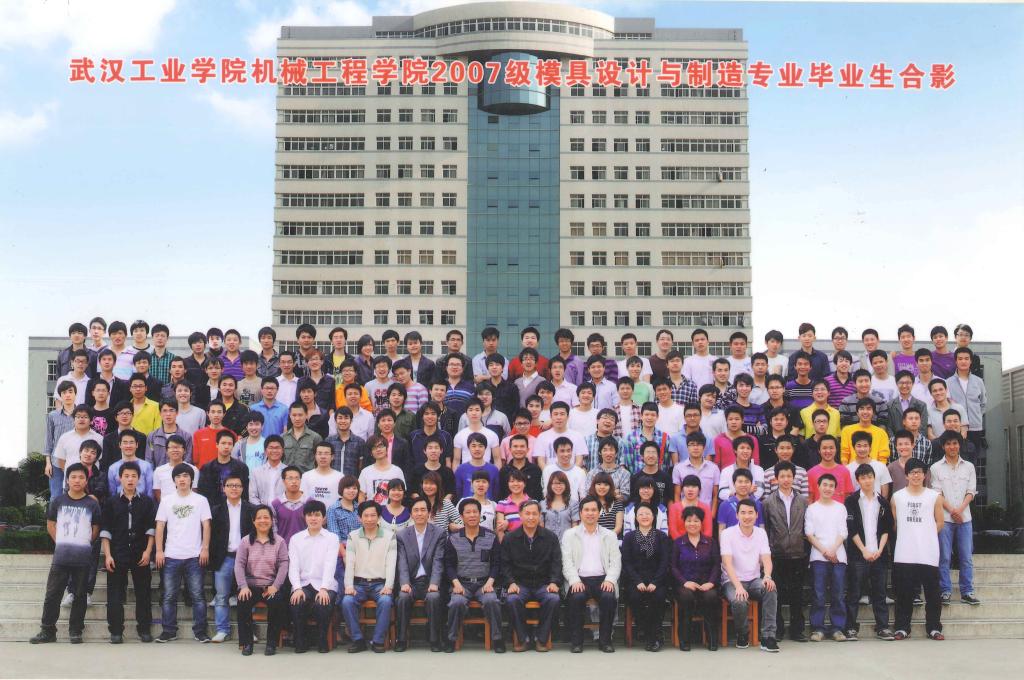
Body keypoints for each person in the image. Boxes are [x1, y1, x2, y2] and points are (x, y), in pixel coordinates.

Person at [29, 463, 101, 645]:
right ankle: (47, 631)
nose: (77, 480)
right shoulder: (58, 501)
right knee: (53, 594)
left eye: (81, 477)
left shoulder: (92, 504)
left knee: (80, 595)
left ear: (86, 480)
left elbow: (95, 529)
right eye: (73, 477)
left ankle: (75, 631)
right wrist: (61, 542)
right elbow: (50, 525)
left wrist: (83, 543)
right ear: (67, 480)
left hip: (83, 558)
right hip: (61, 557)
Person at [154, 463, 212, 643]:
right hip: (171, 555)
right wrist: (159, 550)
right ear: (174, 480)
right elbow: (160, 526)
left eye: (186, 476)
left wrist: (205, 548)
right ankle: (169, 631)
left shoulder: (200, 500)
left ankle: (200, 631)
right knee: (169, 596)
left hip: (194, 556)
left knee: (198, 595)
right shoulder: (167, 500)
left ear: (191, 479)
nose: (182, 479)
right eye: (178, 476)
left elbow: (206, 525)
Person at [100, 461, 156, 644]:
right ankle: (116, 631)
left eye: (133, 476)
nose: (130, 479)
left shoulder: (147, 502)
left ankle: (144, 629)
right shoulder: (111, 502)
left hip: (141, 553)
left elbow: (151, 529)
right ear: (120, 478)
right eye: (126, 476)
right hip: (118, 552)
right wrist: (108, 555)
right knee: (115, 594)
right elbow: (106, 530)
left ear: (139, 478)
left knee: (143, 593)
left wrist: (148, 552)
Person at [891, 458, 945, 640]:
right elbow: (895, 524)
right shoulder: (897, 497)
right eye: (912, 472)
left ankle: (934, 628)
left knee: (932, 593)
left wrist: (926, 535)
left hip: (928, 551)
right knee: (904, 593)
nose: (916, 475)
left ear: (925, 475)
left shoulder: (934, 496)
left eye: (919, 472)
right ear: (906, 475)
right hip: (904, 552)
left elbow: (940, 522)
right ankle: (902, 627)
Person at [442, 498, 505, 653]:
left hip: (484, 583)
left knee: (492, 601)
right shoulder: (453, 538)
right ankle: (451, 639)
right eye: (468, 512)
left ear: (480, 514)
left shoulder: (491, 536)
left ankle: (497, 639)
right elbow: (448, 564)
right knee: (456, 603)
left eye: (475, 512)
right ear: (461, 516)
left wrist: (490, 582)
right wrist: (456, 584)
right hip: (462, 584)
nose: (472, 515)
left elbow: (496, 563)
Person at [562, 496, 621, 653]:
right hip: (579, 580)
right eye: (586, 510)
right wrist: (574, 580)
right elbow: (566, 561)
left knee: (608, 597)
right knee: (576, 597)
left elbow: (616, 562)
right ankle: (577, 642)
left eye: (594, 510)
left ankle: (605, 641)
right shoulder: (570, 534)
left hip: (603, 579)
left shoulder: (609, 535)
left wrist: (610, 580)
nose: (590, 513)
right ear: (580, 513)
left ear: (599, 512)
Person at [720, 498, 780, 652]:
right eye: (743, 513)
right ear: (737, 515)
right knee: (739, 599)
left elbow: (766, 558)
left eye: (750, 513)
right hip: (731, 581)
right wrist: (738, 587)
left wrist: (767, 576)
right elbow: (727, 563)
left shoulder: (761, 533)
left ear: (756, 515)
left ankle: (768, 637)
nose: (747, 516)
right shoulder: (727, 534)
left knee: (770, 588)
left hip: (754, 580)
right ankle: (743, 634)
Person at [844, 463, 895, 641]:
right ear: (858, 480)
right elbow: (851, 529)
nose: (867, 481)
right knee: (854, 593)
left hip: (879, 555)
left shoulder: (882, 502)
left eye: (870, 477)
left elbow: (887, 529)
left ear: (875, 478)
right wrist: (864, 550)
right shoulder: (851, 501)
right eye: (863, 478)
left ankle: (883, 627)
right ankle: (850, 628)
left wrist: (880, 550)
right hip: (858, 555)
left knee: (880, 593)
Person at [930, 431, 980, 605]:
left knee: (966, 556)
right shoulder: (935, 468)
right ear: (943, 446)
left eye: (955, 443)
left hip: (965, 519)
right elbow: (937, 493)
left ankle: (967, 591)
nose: (952, 447)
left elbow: (971, 491)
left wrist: (960, 510)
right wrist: (953, 511)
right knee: (944, 556)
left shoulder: (969, 467)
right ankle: (945, 590)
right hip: (945, 519)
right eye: (948, 444)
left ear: (960, 445)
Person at [341, 501, 397, 653]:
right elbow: (350, 563)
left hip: (380, 584)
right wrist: (349, 586)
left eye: (373, 515)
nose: (370, 519)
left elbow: (391, 563)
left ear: (379, 517)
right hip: (359, 584)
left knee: (386, 601)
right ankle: (358, 640)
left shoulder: (390, 536)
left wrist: (389, 586)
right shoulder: (353, 536)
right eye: (366, 516)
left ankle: (378, 641)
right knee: (347, 601)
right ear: (359, 518)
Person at [762, 461, 809, 642]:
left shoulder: (803, 501)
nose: (786, 479)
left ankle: (797, 630)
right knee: (778, 594)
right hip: (777, 554)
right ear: (776, 479)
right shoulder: (768, 502)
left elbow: (806, 527)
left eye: (789, 476)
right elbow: (766, 529)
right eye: (782, 476)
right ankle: (778, 629)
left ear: (794, 478)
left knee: (797, 594)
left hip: (798, 553)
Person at [235, 505, 289, 656]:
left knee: (277, 602)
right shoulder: (246, 541)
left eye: (266, 517)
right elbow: (239, 565)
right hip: (250, 586)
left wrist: (276, 586)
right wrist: (243, 586)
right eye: (259, 518)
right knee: (243, 600)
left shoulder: (279, 541)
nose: (263, 521)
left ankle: (271, 643)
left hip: (270, 586)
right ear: (253, 521)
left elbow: (284, 564)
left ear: (272, 521)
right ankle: (247, 643)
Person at [394, 497, 446, 651]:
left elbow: (438, 561)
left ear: (429, 513)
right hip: (411, 581)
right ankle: (401, 639)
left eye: (423, 510)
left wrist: (434, 583)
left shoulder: (439, 533)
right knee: (403, 597)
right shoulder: (402, 535)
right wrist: (404, 582)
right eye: (416, 510)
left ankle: (434, 639)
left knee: (434, 597)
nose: (419, 513)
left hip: (430, 581)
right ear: (411, 514)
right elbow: (402, 562)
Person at [288, 499, 340, 653]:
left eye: (317, 515)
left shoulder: (332, 538)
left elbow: (330, 565)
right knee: (297, 601)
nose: (313, 518)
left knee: (323, 602)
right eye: (310, 515)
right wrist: (297, 588)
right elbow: (293, 566)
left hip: (325, 584)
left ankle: (322, 639)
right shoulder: (296, 539)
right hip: (303, 584)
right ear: (304, 517)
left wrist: (324, 588)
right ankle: (301, 640)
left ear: (323, 518)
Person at [208, 473, 256, 643]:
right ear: (224, 488)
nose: (234, 488)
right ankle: (222, 630)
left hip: (246, 559)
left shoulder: (251, 510)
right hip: (224, 558)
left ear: (243, 489)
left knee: (248, 596)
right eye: (230, 485)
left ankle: (249, 631)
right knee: (221, 596)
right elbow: (211, 536)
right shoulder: (216, 510)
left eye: (237, 485)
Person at [621, 503, 672, 651]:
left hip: (657, 580)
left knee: (658, 597)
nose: (644, 516)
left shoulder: (661, 536)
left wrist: (655, 582)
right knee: (635, 597)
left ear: (653, 516)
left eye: (647, 513)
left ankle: (652, 635)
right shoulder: (629, 537)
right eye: (641, 514)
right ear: (636, 517)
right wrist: (637, 581)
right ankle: (649, 631)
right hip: (635, 580)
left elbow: (664, 562)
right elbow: (627, 562)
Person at [805, 474, 849, 641]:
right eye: (825, 485)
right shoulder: (811, 508)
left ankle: (838, 628)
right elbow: (809, 533)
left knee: (838, 593)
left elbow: (843, 532)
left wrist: (833, 549)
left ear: (835, 488)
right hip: (818, 557)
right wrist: (825, 551)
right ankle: (818, 629)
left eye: (831, 485)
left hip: (839, 556)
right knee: (819, 594)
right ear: (818, 486)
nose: (828, 488)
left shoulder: (840, 508)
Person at [672, 506, 720, 651]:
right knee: (686, 597)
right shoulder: (678, 543)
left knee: (711, 596)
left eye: (696, 521)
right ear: (684, 522)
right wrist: (685, 582)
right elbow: (673, 566)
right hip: (685, 584)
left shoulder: (711, 542)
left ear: (701, 523)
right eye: (689, 520)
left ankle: (712, 639)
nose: (692, 524)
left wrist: (710, 582)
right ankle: (685, 639)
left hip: (706, 584)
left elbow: (716, 565)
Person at [198, 430, 250, 503]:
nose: (226, 447)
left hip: (235, 506)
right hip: (212, 507)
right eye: (223, 443)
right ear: (217, 444)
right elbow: (202, 493)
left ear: (233, 446)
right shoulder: (207, 468)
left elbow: (245, 493)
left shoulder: (241, 467)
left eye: (230, 444)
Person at [358, 435, 406, 504]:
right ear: (371, 453)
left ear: (387, 448)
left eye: (381, 446)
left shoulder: (397, 471)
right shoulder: (365, 472)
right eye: (374, 448)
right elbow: (361, 496)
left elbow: (402, 494)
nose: (378, 450)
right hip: (371, 510)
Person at [153, 435, 198, 504]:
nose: (175, 450)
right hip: (167, 507)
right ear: (166, 451)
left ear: (184, 450)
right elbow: (157, 491)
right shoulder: (159, 471)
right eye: (171, 447)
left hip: (187, 506)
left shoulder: (193, 469)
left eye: (178, 447)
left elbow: (194, 489)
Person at [300, 442, 344, 507]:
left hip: (333, 513)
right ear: (315, 456)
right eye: (319, 453)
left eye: (326, 454)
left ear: (332, 457)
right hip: (312, 513)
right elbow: (302, 499)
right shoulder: (306, 476)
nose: (323, 457)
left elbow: (342, 499)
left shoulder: (340, 477)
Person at [540, 471, 578, 540]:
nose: (558, 486)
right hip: (548, 543)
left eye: (561, 483)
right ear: (550, 485)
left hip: (566, 542)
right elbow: (541, 526)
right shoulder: (543, 504)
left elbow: (574, 527)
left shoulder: (573, 504)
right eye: (555, 483)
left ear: (566, 485)